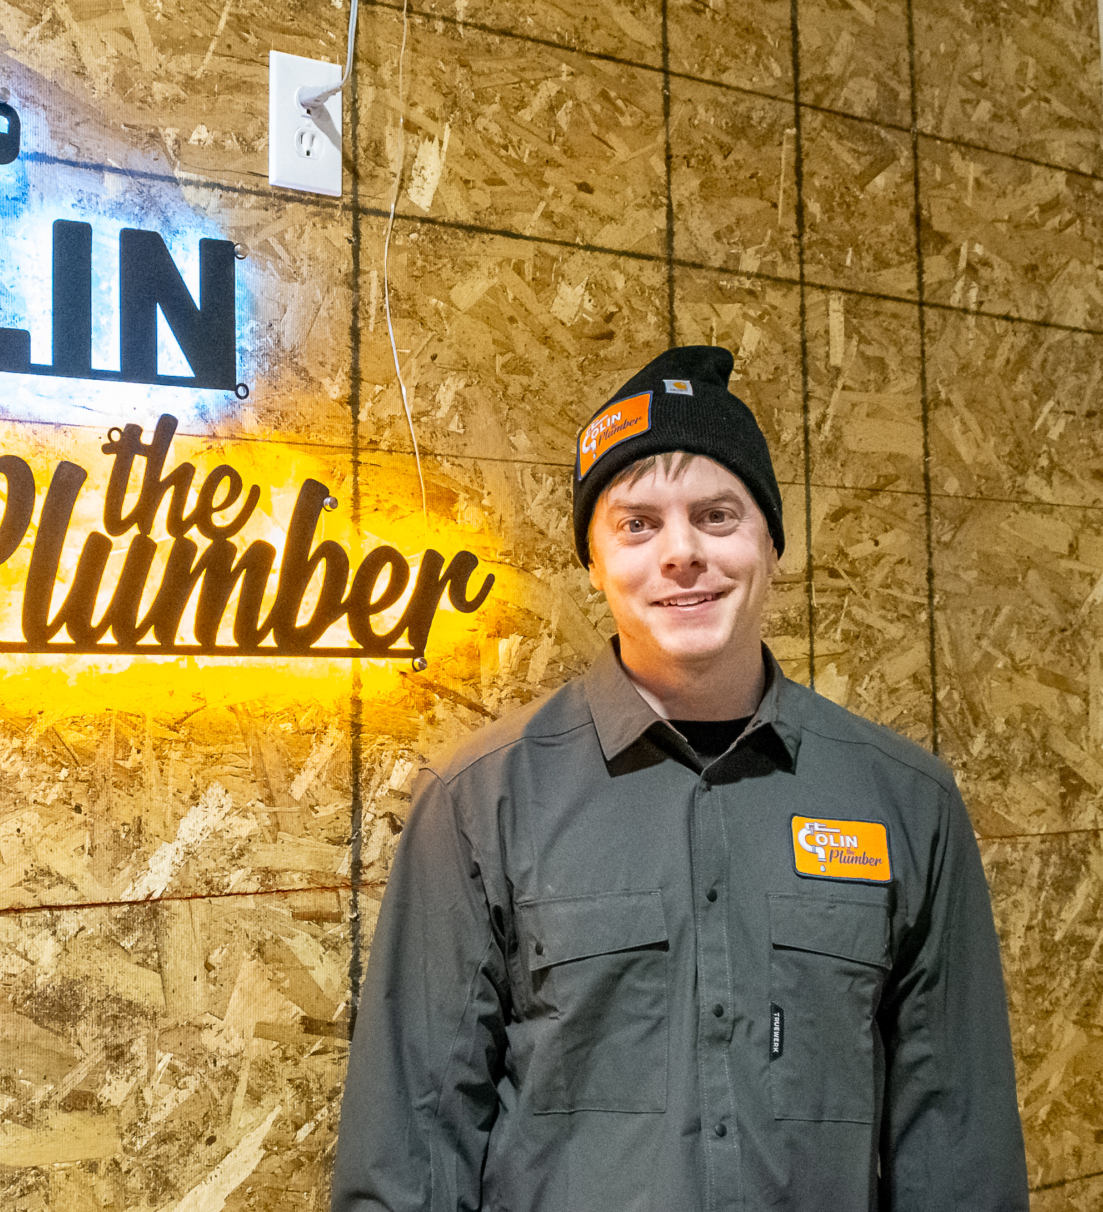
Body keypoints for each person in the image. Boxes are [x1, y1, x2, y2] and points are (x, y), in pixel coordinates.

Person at [330, 346, 1027, 1211]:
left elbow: (957, 1149)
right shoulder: (479, 802)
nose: (682, 554)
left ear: (772, 541)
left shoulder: (907, 802)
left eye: (717, 515)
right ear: (594, 561)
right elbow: (410, 1154)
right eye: (637, 525)